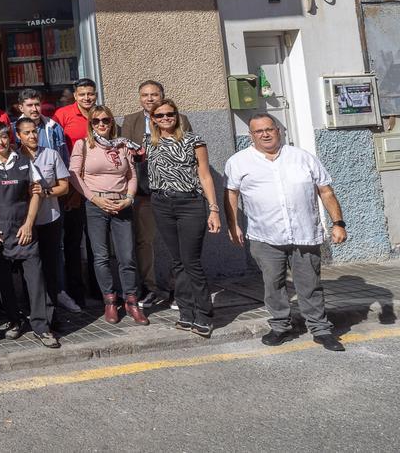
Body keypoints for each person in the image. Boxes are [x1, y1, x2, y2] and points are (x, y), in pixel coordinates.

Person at [225, 114, 348, 351]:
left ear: (279, 130)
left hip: (304, 233)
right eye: (258, 131)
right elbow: (231, 193)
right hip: (265, 235)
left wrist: (338, 223)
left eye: (269, 129)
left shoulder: (302, 157)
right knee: (273, 283)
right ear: (251, 136)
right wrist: (233, 224)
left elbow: (326, 191)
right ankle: (280, 326)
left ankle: (321, 329)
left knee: (310, 283)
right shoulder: (239, 162)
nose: (265, 134)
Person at [144, 99, 221, 338]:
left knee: (191, 262)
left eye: (170, 114)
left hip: (189, 203)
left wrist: (214, 209)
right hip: (161, 203)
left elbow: (205, 176)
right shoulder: (149, 143)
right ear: (153, 120)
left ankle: (204, 315)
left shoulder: (193, 140)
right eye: (160, 116)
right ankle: (186, 313)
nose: (165, 118)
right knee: (177, 262)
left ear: (177, 116)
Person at [69, 105, 148, 326]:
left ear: (112, 122)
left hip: (122, 203)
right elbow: (74, 175)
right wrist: (94, 199)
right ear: (90, 124)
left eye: (106, 120)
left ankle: (131, 301)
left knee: (127, 256)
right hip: (95, 205)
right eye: (96, 121)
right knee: (101, 257)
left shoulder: (123, 145)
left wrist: (129, 198)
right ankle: (110, 301)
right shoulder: (83, 145)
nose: (102, 124)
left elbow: (132, 175)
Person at [0, 122, 59, 348]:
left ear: (10, 138)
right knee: (4, 282)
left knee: (35, 280)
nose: (0, 142)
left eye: (4, 137)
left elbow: (36, 194)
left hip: (25, 230)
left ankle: (41, 327)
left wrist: (29, 224)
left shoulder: (26, 162)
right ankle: (14, 321)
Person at [120, 80, 191, 308]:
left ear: (162, 95)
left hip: (173, 191)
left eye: (154, 94)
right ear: (139, 98)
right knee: (144, 242)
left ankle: (177, 289)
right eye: (145, 95)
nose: (149, 99)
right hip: (144, 193)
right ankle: (150, 288)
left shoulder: (177, 118)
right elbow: (125, 154)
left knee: (178, 243)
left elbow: (187, 151)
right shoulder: (131, 121)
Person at [13, 116, 70, 329]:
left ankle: (51, 314)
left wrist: (45, 192)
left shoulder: (51, 155)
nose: (32, 136)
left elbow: (64, 186)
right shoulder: (14, 158)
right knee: (28, 271)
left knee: (49, 269)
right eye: (26, 133)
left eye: (34, 131)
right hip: (24, 224)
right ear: (18, 136)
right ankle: (30, 312)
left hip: (48, 219)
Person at [53, 78, 99, 308]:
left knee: (97, 244)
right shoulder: (62, 115)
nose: (87, 98)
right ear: (75, 95)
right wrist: (72, 190)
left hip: (99, 187)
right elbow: (59, 154)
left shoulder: (101, 115)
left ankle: (100, 290)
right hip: (73, 188)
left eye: (90, 94)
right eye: (82, 94)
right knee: (72, 243)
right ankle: (76, 291)